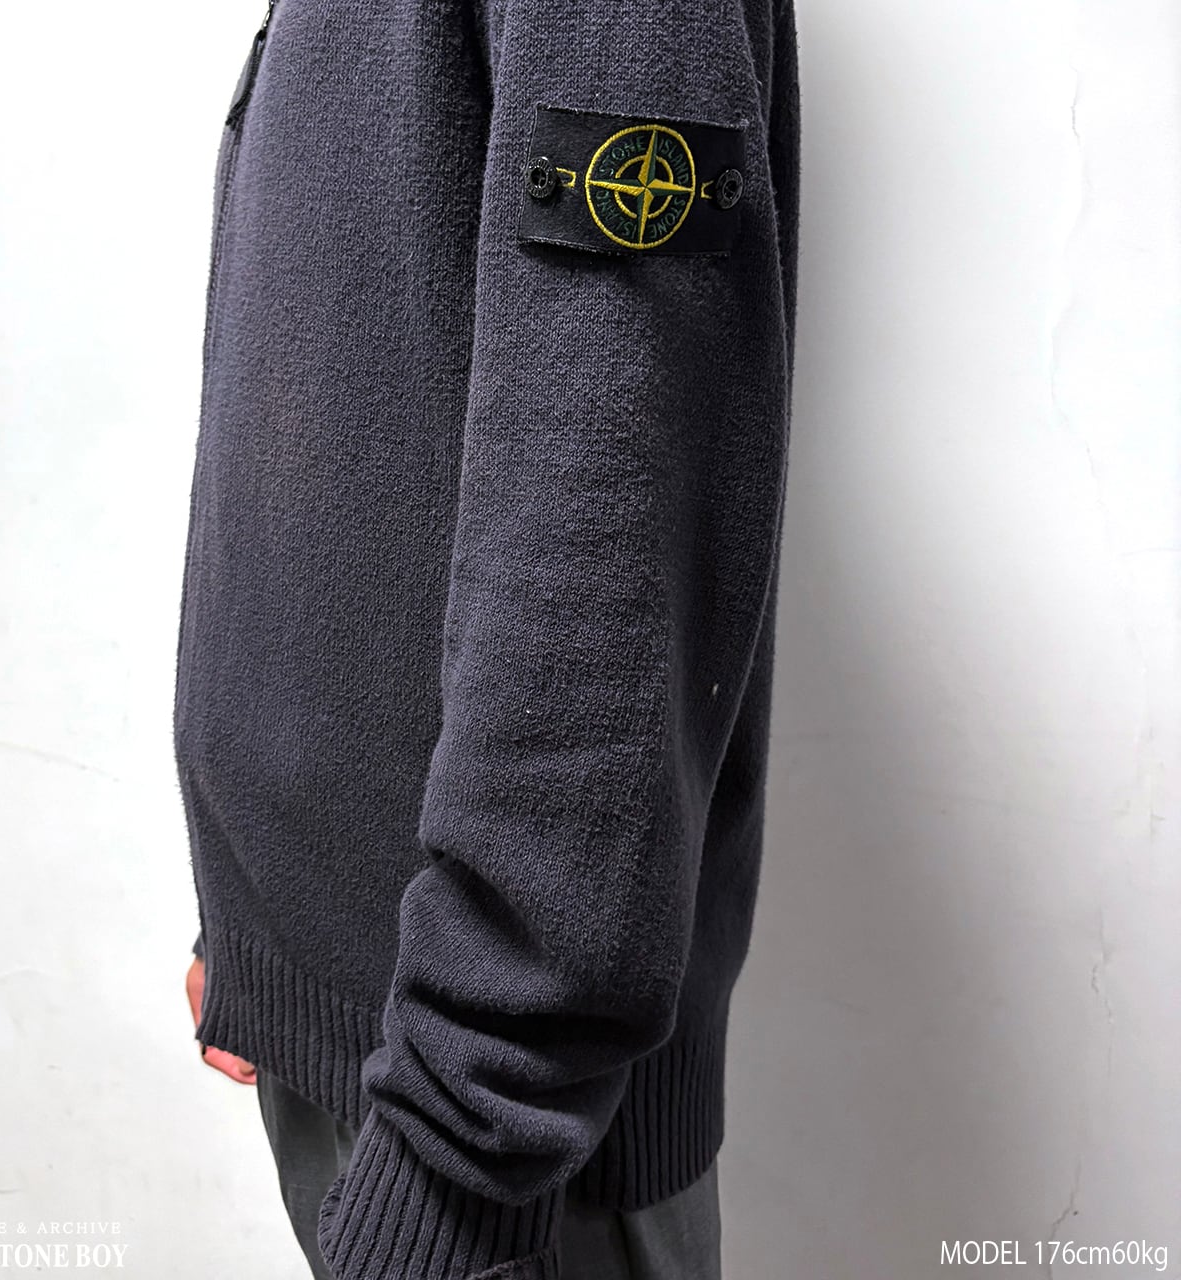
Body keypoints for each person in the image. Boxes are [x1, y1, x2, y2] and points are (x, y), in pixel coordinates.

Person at [175, 0, 801, 1275]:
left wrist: (462, 1134)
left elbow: (607, 518)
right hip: (379, 1026)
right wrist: (254, 931)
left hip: (488, 1140)